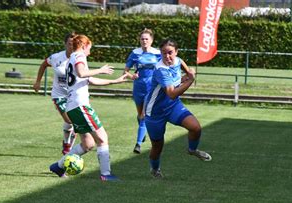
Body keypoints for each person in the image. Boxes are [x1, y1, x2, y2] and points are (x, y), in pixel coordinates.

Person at [49, 34, 129, 181]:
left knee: (88, 144)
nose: (89, 52)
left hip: (72, 107)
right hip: (80, 105)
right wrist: (101, 69)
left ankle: (58, 166)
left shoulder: (71, 59)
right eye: (89, 49)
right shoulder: (79, 56)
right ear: (84, 46)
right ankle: (106, 174)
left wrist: (115, 81)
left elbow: (89, 79)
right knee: (102, 138)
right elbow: (82, 73)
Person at [144, 38, 212, 179]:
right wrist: (191, 80)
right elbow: (172, 94)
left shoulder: (178, 60)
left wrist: (188, 73)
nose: (167, 56)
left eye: (170, 53)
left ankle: (192, 150)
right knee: (157, 147)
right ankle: (155, 170)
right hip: (155, 113)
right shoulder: (160, 70)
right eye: (164, 53)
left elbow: (182, 65)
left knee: (196, 128)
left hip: (173, 106)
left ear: (176, 52)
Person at [33, 32, 77, 155]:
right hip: (59, 96)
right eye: (69, 44)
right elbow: (44, 64)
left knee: (76, 124)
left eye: (74, 44)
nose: (71, 46)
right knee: (70, 121)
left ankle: (68, 149)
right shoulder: (56, 57)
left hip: (74, 95)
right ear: (65, 44)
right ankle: (67, 147)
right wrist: (38, 82)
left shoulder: (79, 59)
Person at [124, 29, 161, 154]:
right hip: (138, 87)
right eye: (142, 39)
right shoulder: (135, 53)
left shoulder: (158, 53)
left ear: (151, 40)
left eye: (146, 39)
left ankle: (138, 144)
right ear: (139, 40)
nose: (144, 41)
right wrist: (131, 76)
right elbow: (125, 71)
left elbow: (165, 66)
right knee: (140, 115)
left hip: (151, 88)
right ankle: (142, 131)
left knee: (144, 116)